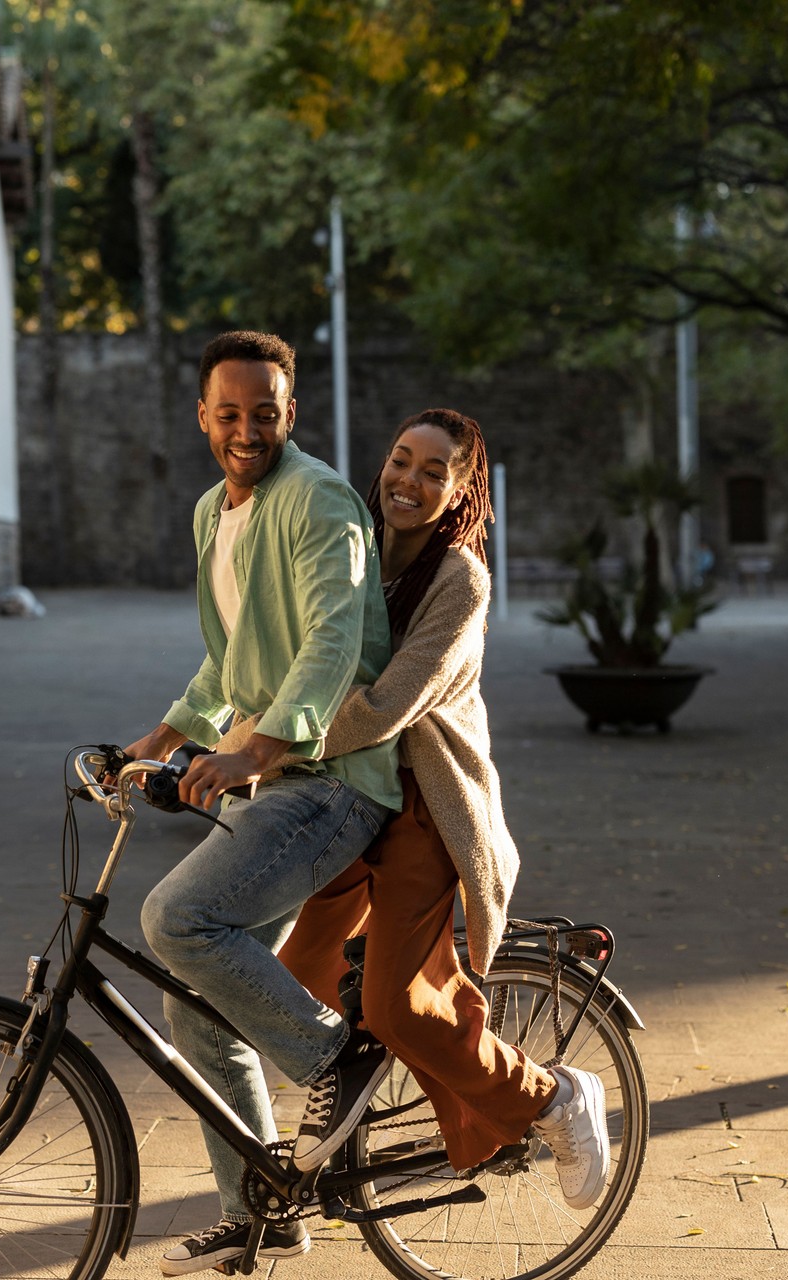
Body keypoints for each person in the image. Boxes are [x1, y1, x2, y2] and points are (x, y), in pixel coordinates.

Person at [269, 408, 611, 1211]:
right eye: (400, 460)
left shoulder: (461, 579)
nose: (409, 481)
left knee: (396, 1004)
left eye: (433, 470)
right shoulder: (355, 548)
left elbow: (390, 703)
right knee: (294, 976)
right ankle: (363, 1097)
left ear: (462, 488)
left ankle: (549, 1099)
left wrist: (275, 740)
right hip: (350, 794)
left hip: (425, 806)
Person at [121, 330, 401, 1277]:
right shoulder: (214, 511)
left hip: (328, 782)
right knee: (195, 991)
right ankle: (264, 1215)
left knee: (177, 917)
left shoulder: (319, 501)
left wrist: (257, 748)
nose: (248, 429)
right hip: (272, 778)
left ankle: (337, 1059)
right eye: (229, 413)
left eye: (266, 411)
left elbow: (329, 641)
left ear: (293, 412)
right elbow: (235, 652)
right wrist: (166, 735)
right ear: (202, 416)